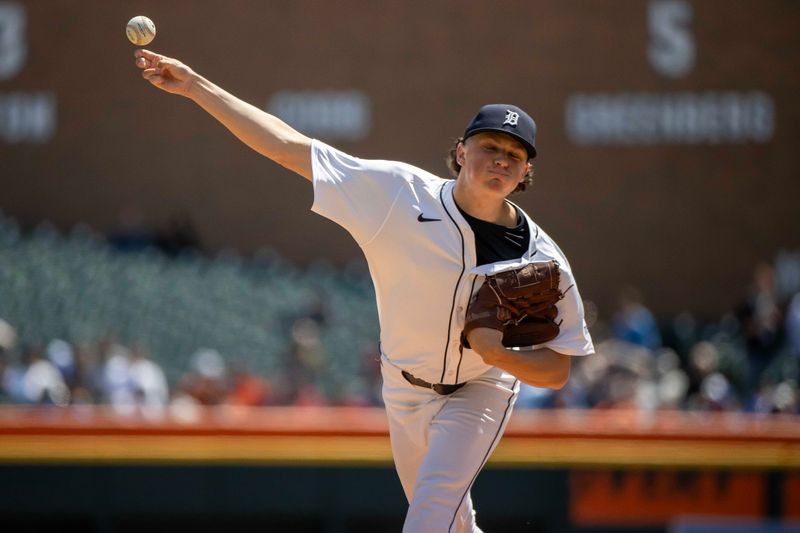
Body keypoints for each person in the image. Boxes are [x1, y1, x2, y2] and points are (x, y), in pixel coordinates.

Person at [133, 48, 594, 532]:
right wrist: (195, 86)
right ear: (461, 151)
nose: (500, 160)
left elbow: (558, 369)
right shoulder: (397, 194)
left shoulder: (542, 260)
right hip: (403, 385)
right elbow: (287, 146)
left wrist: (497, 356)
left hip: (482, 390)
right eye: (489, 147)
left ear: (525, 173)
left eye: (513, 155)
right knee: (452, 523)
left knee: (429, 517)